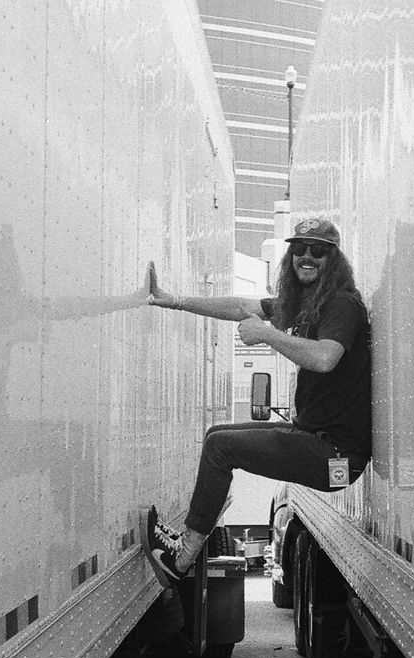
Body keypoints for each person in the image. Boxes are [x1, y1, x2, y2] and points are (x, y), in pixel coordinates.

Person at [146, 218, 372, 586]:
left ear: (334, 259)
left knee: (220, 447)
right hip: (315, 438)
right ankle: (192, 538)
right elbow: (241, 307)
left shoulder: (341, 304)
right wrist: (176, 301)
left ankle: (182, 558)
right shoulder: (308, 304)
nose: (307, 257)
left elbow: (324, 358)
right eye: (299, 249)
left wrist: (266, 335)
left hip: (336, 455)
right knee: (216, 435)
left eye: (318, 250)